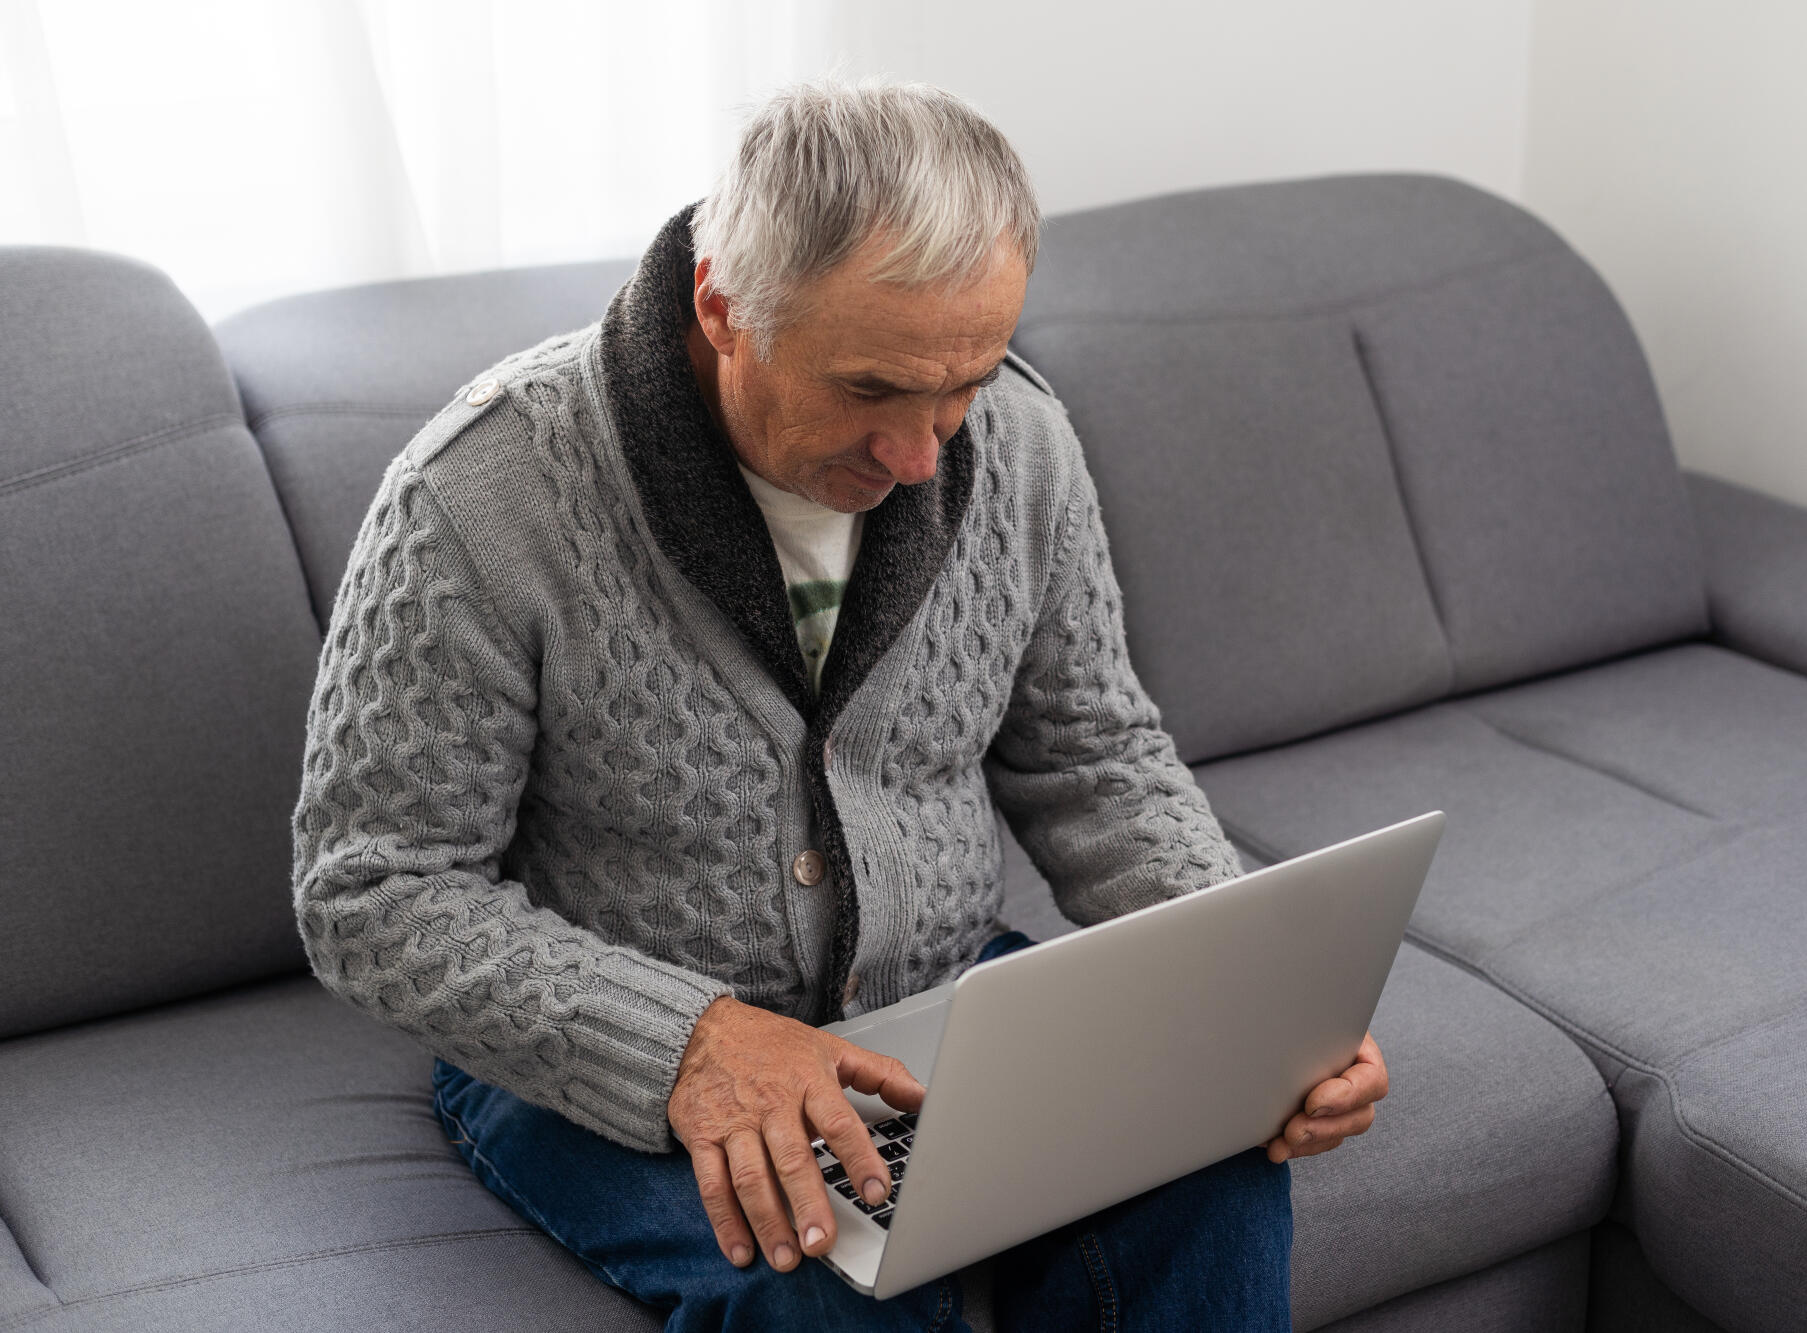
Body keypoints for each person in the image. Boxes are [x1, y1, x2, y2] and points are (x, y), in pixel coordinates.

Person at [292, 77, 1387, 1331]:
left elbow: (1091, 756)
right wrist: (695, 1041)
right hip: (608, 1049)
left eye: (964, 379)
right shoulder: (478, 500)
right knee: (822, 1302)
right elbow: (370, 889)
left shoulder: (1019, 443)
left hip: (944, 1006)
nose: (925, 453)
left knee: (1220, 1173)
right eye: (870, 389)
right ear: (721, 307)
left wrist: (1246, 992)